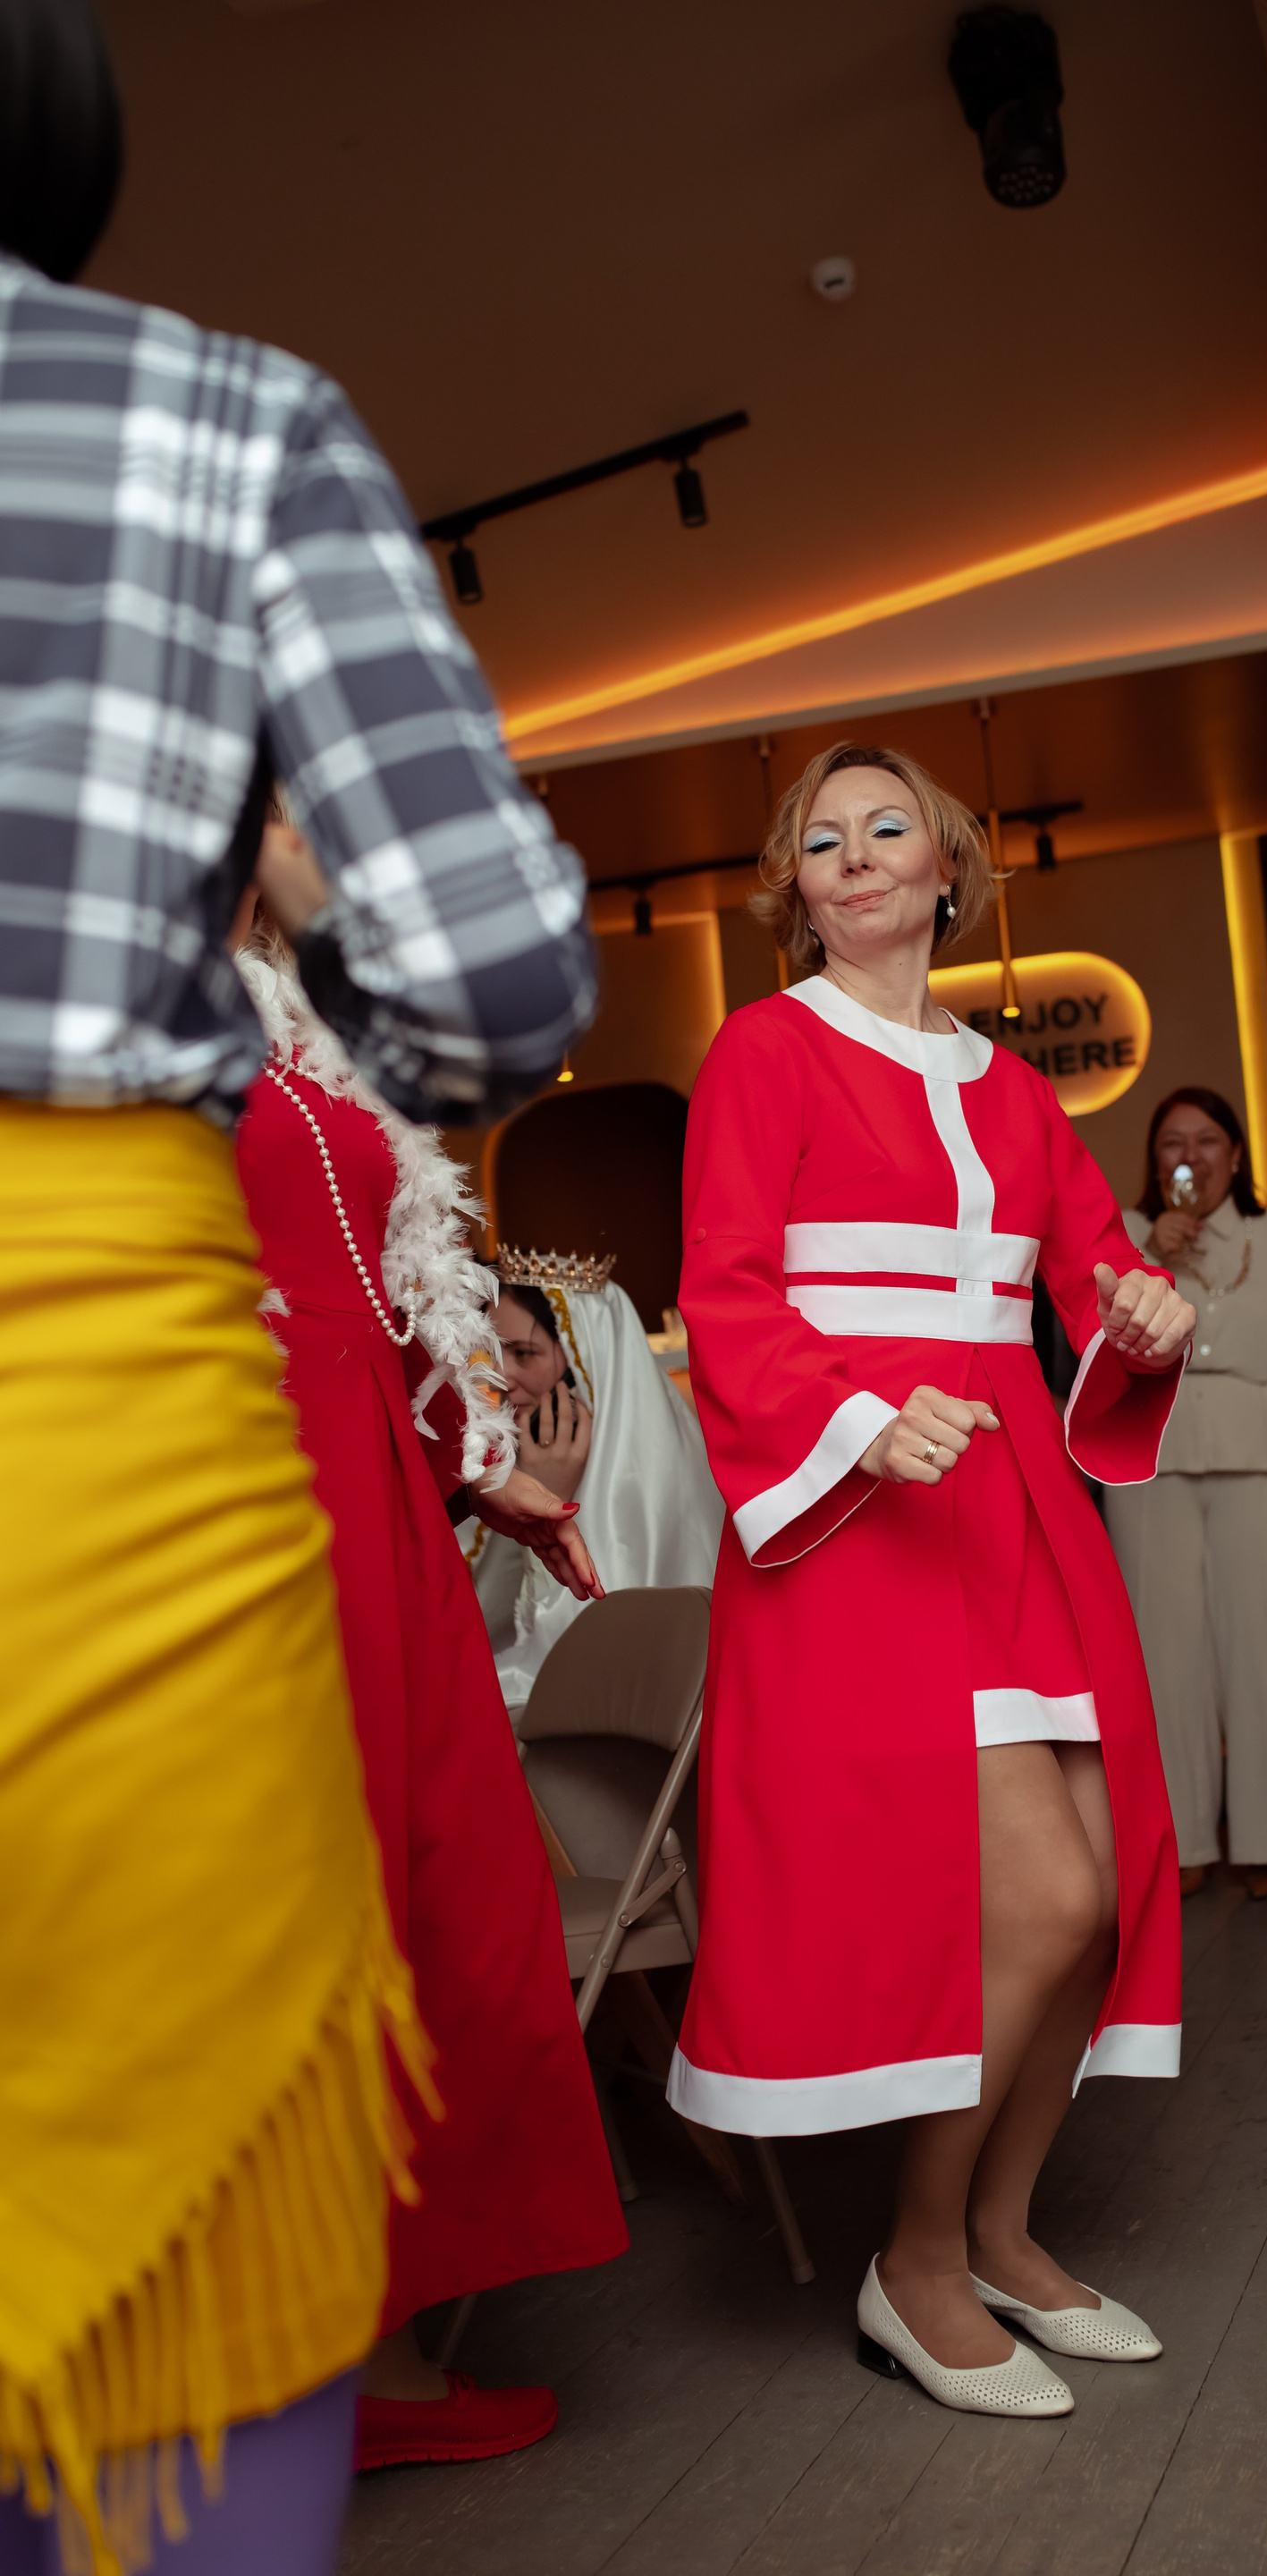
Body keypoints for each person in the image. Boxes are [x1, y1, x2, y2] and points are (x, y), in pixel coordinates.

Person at [0, 4, 597, 2563]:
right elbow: (494, 982)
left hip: (270, 1412)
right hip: (117, 1411)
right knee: (203, 2075)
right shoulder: (213, 422)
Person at [664, 741, 1195, 2422]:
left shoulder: (1014, 1087)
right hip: (870, 1513)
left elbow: (1095, 1270)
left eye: (888, 826)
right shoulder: (763, 1052)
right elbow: (727, 1291)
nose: (857, 853)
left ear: (948, 868)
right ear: (799, 891)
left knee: (1095, 1897)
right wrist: (859, 1424)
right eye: (822, 840)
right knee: (1038, 1899)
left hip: (1017, 1501)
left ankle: (1006, 2237)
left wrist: (1146, 1310)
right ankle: (915, 2263)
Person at [232, 913, 627, 2473]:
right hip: (235, 1485)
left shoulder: (308, 1024)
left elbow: (397, 1296)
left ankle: (371, 2353)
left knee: (417, 1901)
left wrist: (485, 1461)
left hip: (372, 1489)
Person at [1108, 1088, 1267, 1902]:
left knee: (1266, 1650)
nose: (1191, 1156)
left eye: (1208, 1140)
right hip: (1153, 1462)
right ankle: (1180, 1841)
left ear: (1236, 1155)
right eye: (1173, 1142)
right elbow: (1090, 1347)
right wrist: (1150, 1258)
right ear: (1155, 1160)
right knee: (1164, 1659)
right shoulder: (1124, 1237)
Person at [465, 1254, 723, 1712]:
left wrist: (552, 1500)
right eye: (494, 1352)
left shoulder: (653, 1482)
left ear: (588, 1358)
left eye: (524, 1354)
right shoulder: (504, 1455)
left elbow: (588, 1669)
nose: (501, 1376)